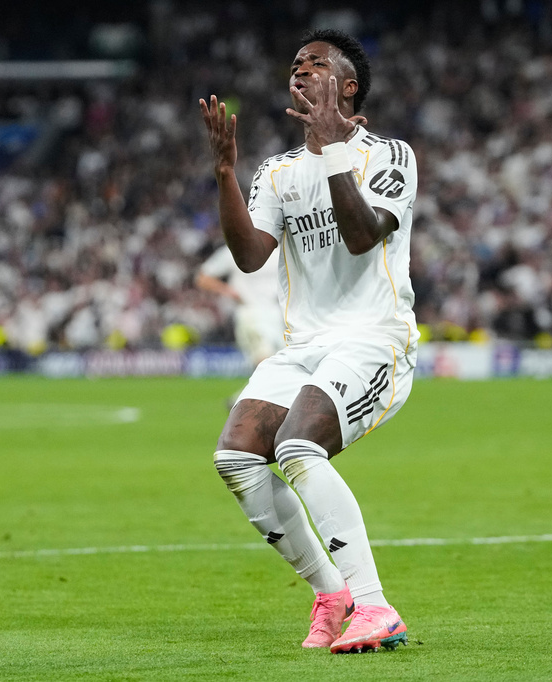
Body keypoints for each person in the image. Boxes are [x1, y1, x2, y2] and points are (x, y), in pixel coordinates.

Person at [200, 28, 419, 654]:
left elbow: (361, 235)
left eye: (316, 64)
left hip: (375, 339)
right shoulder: (278, 171)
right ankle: (332, 593)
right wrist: (224, 173)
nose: (299, 69)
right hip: (304, 346)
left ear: (346, 88)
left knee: (297, 445)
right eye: (295, 63)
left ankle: (376, 608)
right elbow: (248, 258)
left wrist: (331, 152)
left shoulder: (391, 156)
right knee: (237, 455)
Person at [196, 245, 285, 368]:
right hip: (250, 312)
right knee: (264, 358)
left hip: (279, 313)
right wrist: (228, 291)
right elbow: (203, 277)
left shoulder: (282, 250)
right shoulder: (236, 249)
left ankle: (263, 385)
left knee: (281, 360)